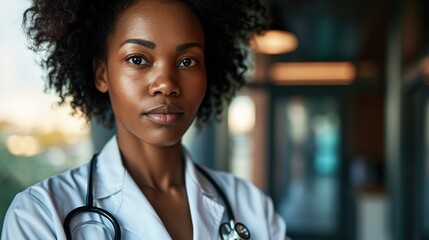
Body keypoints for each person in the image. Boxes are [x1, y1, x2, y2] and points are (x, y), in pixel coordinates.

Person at [1, 0, 287, 239]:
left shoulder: (250, 205)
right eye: (138, 59)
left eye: (187, 61)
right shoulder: (40, 214)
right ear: (102, 75)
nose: (166, 84)